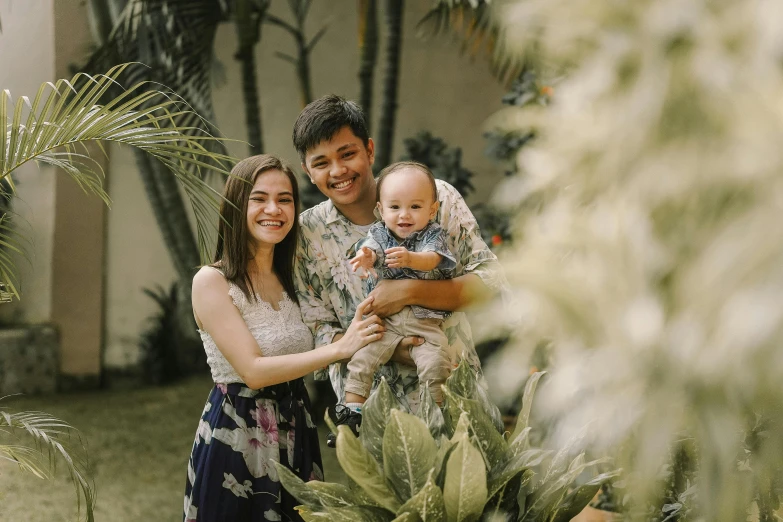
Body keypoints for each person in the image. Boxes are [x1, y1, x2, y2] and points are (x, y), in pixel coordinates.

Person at [293, 95, 506, 447]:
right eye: (321, 162)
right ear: (307, 170)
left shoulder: (437, 198)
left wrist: (409, 291)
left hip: (459, 409)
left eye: (347, 154)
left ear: (370, 151)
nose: (338, 171)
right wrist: (390, 347)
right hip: (377, 432)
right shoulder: (307, 235)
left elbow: (491, 285)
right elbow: (317, 329)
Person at [183, 154, 385, 522]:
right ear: (235, 205)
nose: (273, 209)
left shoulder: (292, 277)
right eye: (259, 198)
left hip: (297, 427)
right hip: (238, 435)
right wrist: (339, 348)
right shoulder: (211, 282)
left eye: (285, 199)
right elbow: (254, 372)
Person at [346, 162, 456, 415]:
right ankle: (351, 410)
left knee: (435, 364)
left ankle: (436, 414)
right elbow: (371, 249)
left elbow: (432, 259)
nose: (404, 214)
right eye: (395, 207)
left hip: (424, 322)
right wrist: (366, 257)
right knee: (362, 359)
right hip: (386, 322)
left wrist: (410, 259)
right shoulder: (380, 233)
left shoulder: (433, 234)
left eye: (415, 207)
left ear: (432, 210)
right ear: (381, 210)